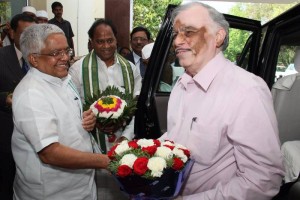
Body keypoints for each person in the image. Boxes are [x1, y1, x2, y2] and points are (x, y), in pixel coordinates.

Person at [160, 2, 284, 199]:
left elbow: (263, 180)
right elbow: (178, 136)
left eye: (188, 32)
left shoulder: (246, 90)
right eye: (176, 34)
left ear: (218, 37)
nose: (177, 41)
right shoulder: (181, 86)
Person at [11, 23, 110, 200]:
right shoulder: (31, 93)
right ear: (34, 59)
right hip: (52, 193)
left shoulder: (63, 78)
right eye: (56, 53)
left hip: (81, 186)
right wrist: (105, 161)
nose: (65, 58)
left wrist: (84, 119)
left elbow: (64, 116)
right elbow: (50, 153)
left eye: (67, 50)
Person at [69, 18, 142, 199]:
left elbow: (136, 108)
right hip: (90, 145)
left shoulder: (130, 69)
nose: (106, 46)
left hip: (124, 141)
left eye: (110, 40)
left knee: (122, 191)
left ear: (117, 40)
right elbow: (71, 110)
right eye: (100, 41)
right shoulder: (77, 70)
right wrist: (92, 123)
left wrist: (125, 135)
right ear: (91, 42)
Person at [0, 14, 35, 200]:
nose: (29, 39)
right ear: (12, 33)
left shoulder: (44, 58)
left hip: (38, 140)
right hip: (7, 137)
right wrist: (5, 98)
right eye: (24, 33)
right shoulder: (2, 57)